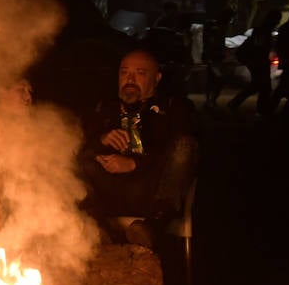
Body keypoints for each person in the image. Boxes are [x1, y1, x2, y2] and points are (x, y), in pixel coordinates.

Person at [79, 49, 199, 249]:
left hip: (150, 194)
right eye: (124, 73)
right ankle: (98, 228)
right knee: (68, 152)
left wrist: (135, 163)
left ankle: (154, 226)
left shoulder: (173, 108)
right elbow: (83, 147)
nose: (130, 79)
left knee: (185, 147)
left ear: (157, 78)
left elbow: (184, 149)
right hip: (108, 193)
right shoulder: (104, 108)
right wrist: (102, 142)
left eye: (140, 73)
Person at [228, 9, 279, 116]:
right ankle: (261, 110)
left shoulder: (262, 30)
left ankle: (236, 103)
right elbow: (259, 47)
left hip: (257, 61)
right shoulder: (263, 31)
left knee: (258, 85)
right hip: (258, 62)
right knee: (263, 86)